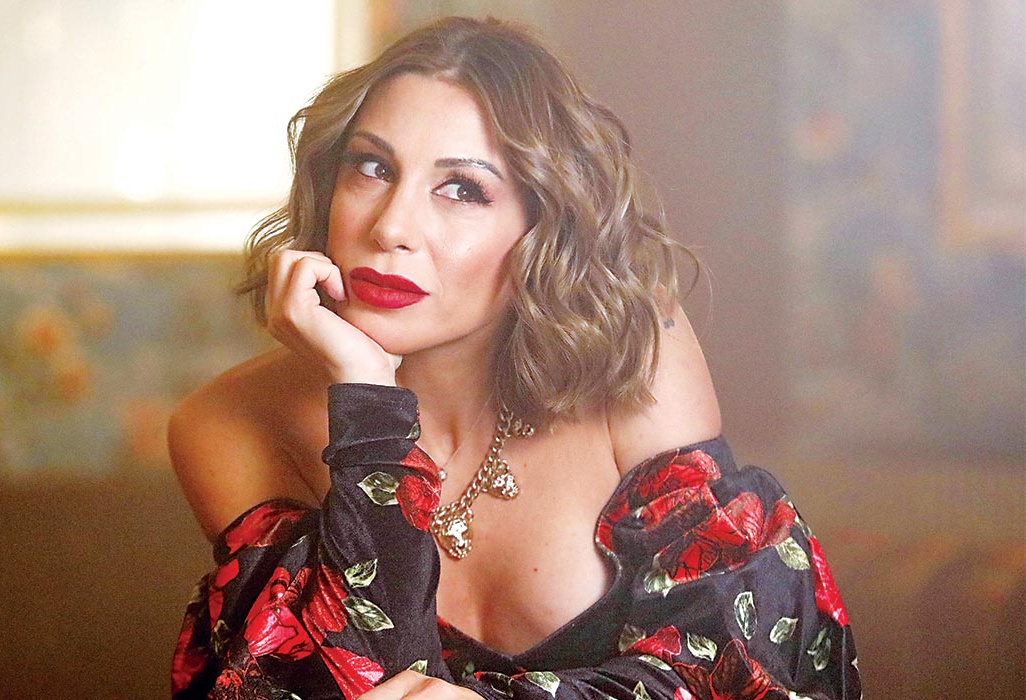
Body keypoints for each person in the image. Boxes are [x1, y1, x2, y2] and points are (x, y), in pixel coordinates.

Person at [169, 16, 860, 700]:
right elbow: (339, 683)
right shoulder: (228, 422)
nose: (392, 227)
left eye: (462, 189)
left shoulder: (634, 350)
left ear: (541, 225)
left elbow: (736, 675)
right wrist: (367, 396)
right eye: (373, 168)